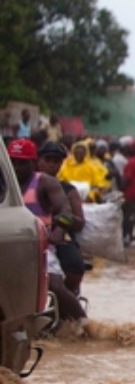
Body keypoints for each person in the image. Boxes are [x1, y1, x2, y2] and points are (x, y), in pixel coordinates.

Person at [10, 138, 87, 323]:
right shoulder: (4, 183)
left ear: (33, 162)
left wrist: (59, 230)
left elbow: (66, 212)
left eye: (22, 162)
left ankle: (86, 325)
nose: (17, 167)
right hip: (11, 246)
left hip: (42, 245)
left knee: (55, 283)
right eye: (13, 162)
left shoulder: (47, 183)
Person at [36, 141, 87, 295]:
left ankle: (70, 296)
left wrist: (58, 221)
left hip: (60, 239)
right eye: (47, 160)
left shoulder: (69, 190)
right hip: (33, 236)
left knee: (75, 265)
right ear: (39, 161)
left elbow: (79, 221)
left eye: (56, 161)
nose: (51, 165)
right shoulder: (27, 185)